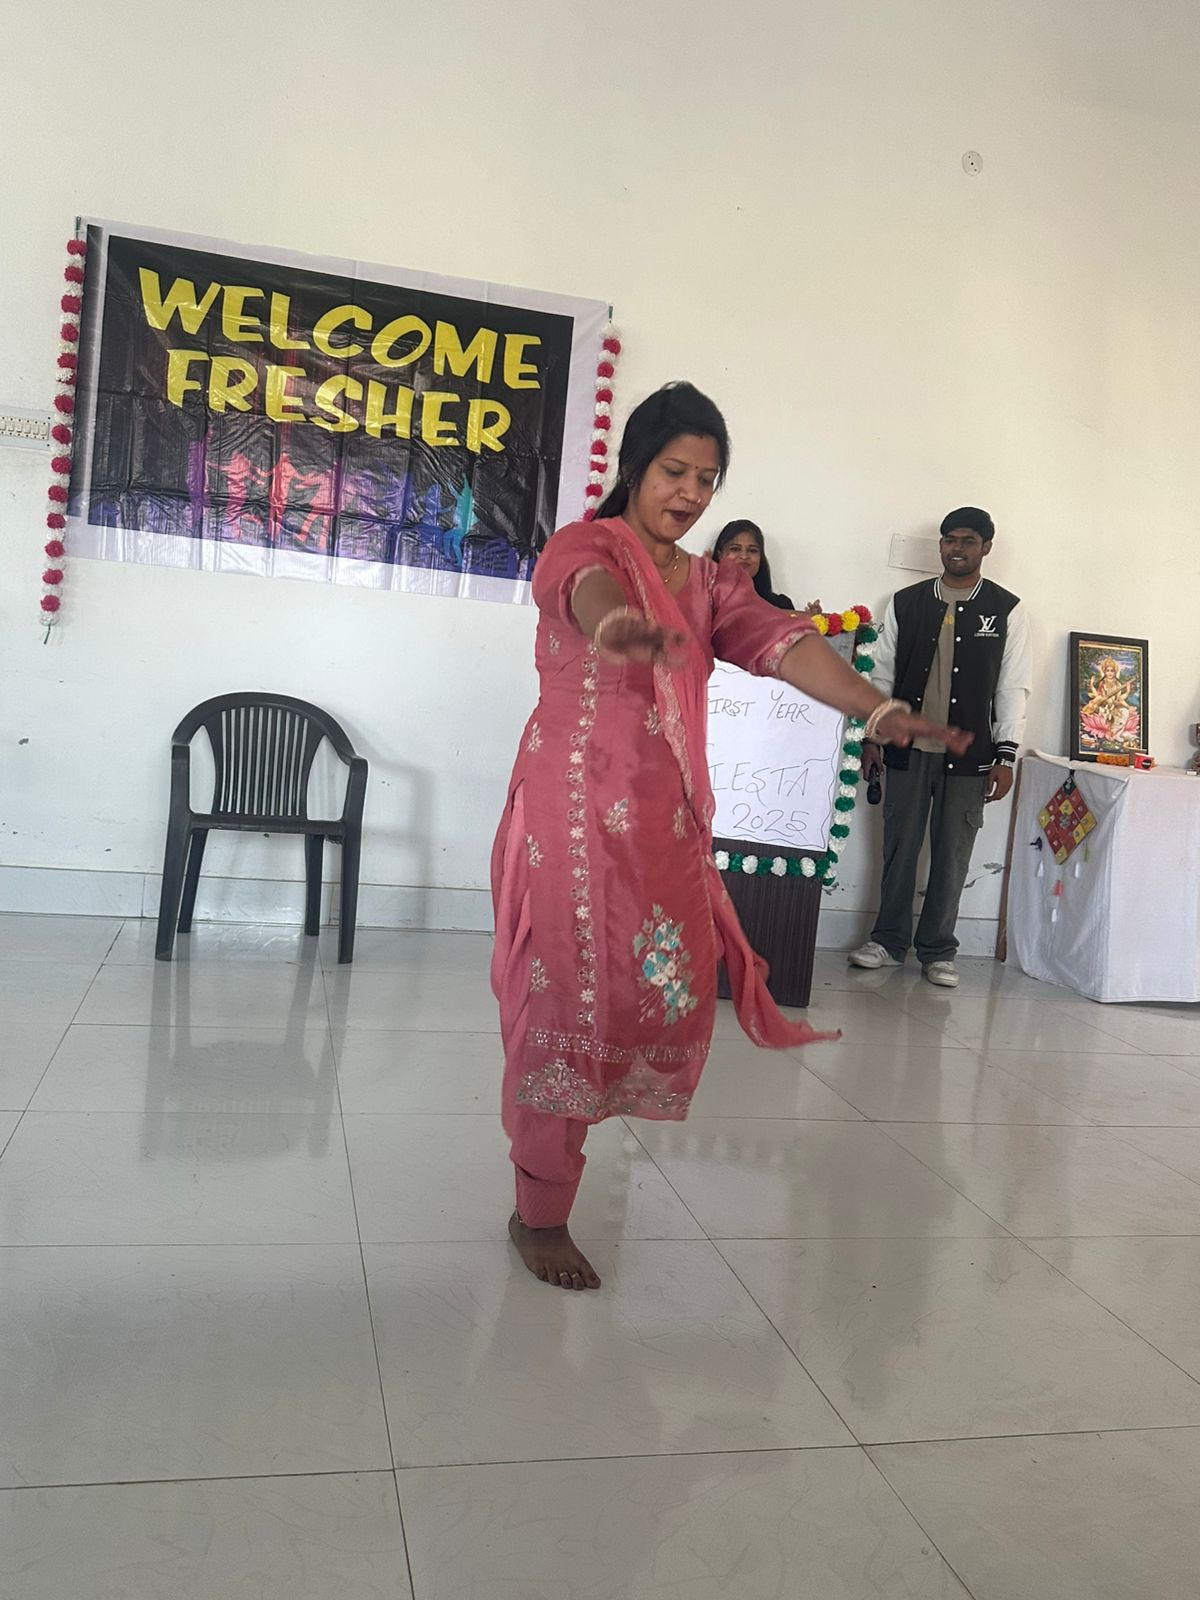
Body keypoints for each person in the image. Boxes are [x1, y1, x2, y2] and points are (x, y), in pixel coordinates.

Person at [492, 382, 970, 1290]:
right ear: (636, 465)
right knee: (564, 1010)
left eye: (707, 479)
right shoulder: (585, 546)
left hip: (664, 824)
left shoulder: (712, 582)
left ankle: (562, 1161)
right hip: (571, 823)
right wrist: (620, 627)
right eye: (674, 471)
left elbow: (784, 642)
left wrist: (876, 709)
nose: (690, 493)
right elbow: (585, 593)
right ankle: (540, 1210)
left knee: (650, 996)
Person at [850, 506, 1032, 988]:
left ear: (986, 547)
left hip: (970, 758)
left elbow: (1013, 686)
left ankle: (938, 951)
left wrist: (1006, 754)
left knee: (952, 856)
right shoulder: (906, 603)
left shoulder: (1006, 609)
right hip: (906, 749)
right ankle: (887, 942)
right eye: (950, 539)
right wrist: (871, 737)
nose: (957, 548)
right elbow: (882, 674)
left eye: (968, 540)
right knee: (899, 849)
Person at [710, 519, 821, 613]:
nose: (744, 556)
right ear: (720, 555)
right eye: (735, 549)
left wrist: (811, 622)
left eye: (752, 550)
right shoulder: (705, 603)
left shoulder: (780, 606)